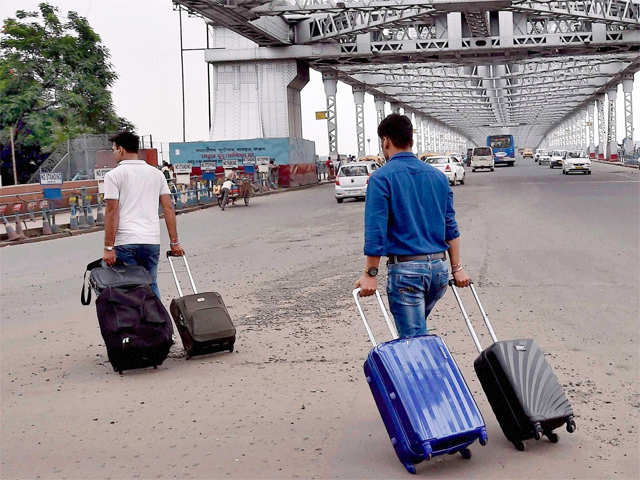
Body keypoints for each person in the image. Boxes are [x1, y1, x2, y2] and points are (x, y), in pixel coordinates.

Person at [355, 114, 470, 338]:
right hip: (438, 271)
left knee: (413, 342)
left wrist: (370, 273)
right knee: (416, 331)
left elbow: (376, 230)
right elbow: (450, 227)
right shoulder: (438, 177)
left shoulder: (381, 178)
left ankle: (430, 369)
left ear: (386, 141)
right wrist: (457, 268)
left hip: (407, 274)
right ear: (411, 141)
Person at [102, 131, 184, 297]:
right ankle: (158, 322)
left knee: (130, 290)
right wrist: (174, 242)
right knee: (151, 285)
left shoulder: (113, 176)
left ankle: (136, 322)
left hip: (125, 243)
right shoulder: (157, 174)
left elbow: (111, 212)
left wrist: (108, 247)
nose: (113, 153)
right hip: (150, 241)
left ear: (121, 149)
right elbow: (168, 208)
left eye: (114, 149)